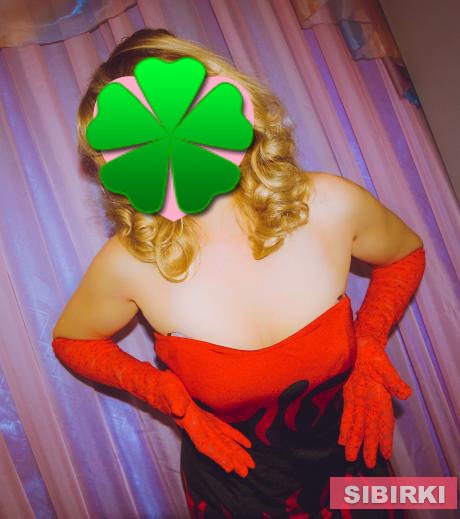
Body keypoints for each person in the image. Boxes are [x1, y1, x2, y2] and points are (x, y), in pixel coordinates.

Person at [52, 28, 425, 518]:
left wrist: (370, 341)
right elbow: (72, 340)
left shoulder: (329, 204)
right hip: (232, 492)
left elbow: (405, 253)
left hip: (356, 465)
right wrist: (167, 394)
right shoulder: (129, 262)